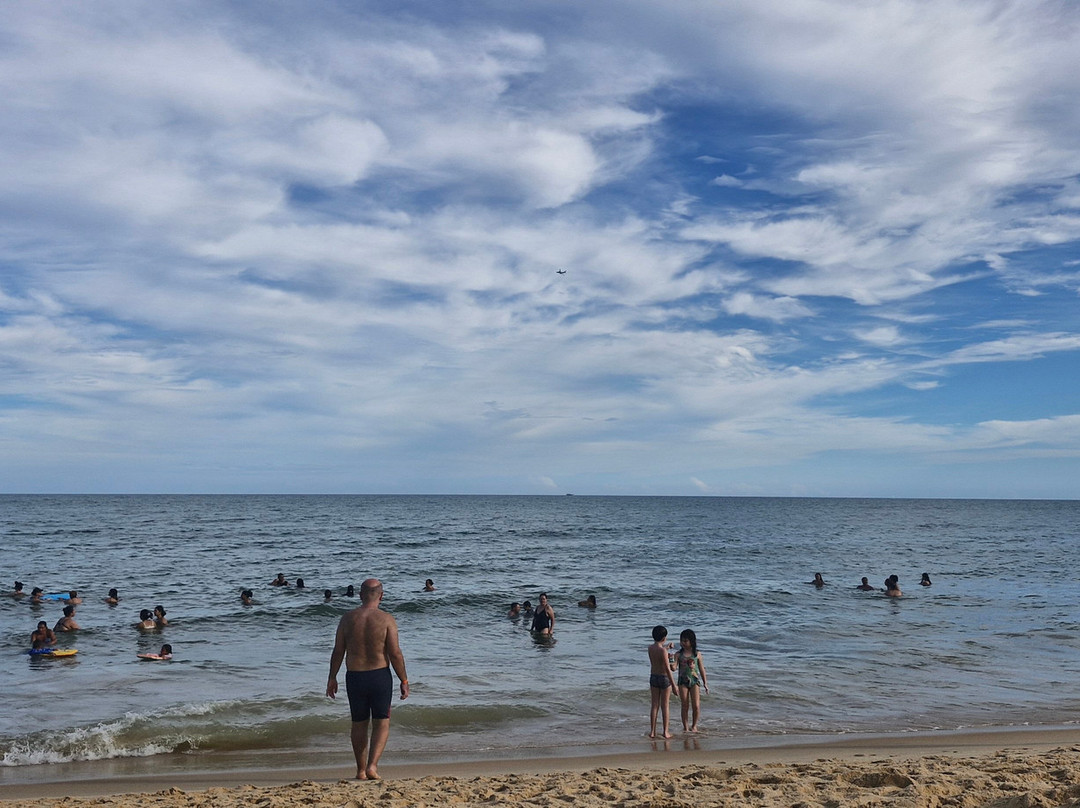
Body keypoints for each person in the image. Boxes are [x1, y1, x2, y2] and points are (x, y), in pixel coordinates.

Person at [326, 578, 409, 781]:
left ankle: (361, 770)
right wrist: (404, 680)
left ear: (360, 595)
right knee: (381, 722)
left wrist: (332, 677)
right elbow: (395, 653)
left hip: (355, 677)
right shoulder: (387, 619)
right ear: (381, 596)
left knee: (358, 723)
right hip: (379, 676)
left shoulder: (347, 619)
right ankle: (372, 766)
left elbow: (338, 651)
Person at [647, 625, 679, 739]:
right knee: (665, 706)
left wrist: (667, 647)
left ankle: (652, 731)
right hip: (664, 678)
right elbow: (667, 668)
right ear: (664, 638)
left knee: (654, 705)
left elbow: (660, 650)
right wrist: (674, 685)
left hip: (653, 677)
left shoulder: (650, 648)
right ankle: (665, 731)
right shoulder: (663, 651)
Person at [676, 629, 709, 733]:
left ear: (692, 641)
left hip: (694, 682)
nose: (683, 643)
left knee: (696, 705)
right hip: (682, 682)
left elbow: (702, 669)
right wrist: (671, 659)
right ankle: (685, 727)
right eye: (681, 641)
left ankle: (694, 726)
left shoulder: (697, 654)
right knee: (685, 705)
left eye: (685, 641)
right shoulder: (678, 654)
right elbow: (673, 668)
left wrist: (705, 683)